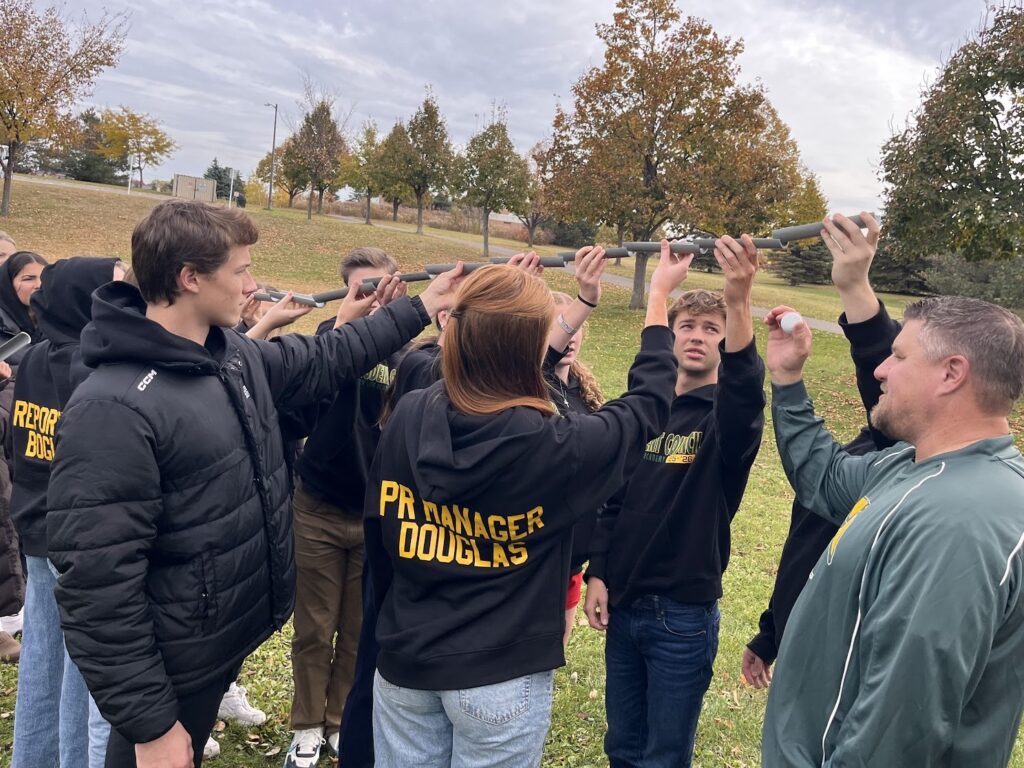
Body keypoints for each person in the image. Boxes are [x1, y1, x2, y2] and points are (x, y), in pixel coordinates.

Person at [45, 199, 463, 768]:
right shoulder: (113, 408)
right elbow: (97, 583)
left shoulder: (228, 353)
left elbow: (321, 358)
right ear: (190, 278)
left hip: (213, 648)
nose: (252, 283)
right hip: (171, 666)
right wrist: (149, 725)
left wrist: (418, 308)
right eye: (240, 271)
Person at [366, 243, 691, 768]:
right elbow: (649, 404)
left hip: (406, 660)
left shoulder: (410, 411)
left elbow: (379, 530)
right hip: (499, 671)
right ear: (528, 349)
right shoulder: (557, 445)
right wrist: (657, 300)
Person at [762, 264, 1024, 761]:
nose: (880, 369)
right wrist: (789, 380)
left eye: (898, 356)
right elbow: (824, 477)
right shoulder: (910, 466)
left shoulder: (962, 522)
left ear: (951, 373)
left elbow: (900, 728)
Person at [584, 236, 766, 768]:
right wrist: (599, 571)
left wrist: (738, 301)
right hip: (624, 603)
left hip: (681, 617)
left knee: (664, 754)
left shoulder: (724, 424)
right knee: (622, 746)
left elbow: (744, 393)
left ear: (725, 343)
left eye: (713, 330)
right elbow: (612, 499)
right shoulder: (642, 413)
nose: (697, 337)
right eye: (687, 326)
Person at [742, 213, 899, 687]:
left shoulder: (913, 466)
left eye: (902, 358)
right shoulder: (864, 451)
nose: (883, 372)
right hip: (797, 652)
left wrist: (857, 290)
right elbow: (807, 540)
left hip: (843, 679)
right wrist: (772, 631)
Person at [282, 247, 406, 768]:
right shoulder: (325, 348)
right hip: (318, 508)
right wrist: (341, 330)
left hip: (375, 517)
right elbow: (301, 407)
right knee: (314, 628)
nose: (372, 301)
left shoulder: (405, 355)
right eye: (361, 291)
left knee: (359, 629)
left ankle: (338, 722)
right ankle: (305, 727)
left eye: (381, 291)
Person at [9, 257, 125, 768]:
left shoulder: (33, 358)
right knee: (86, 676)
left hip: (36, 528)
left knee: (40, 665)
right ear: (87, 299)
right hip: (78, 540)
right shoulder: (93, 366)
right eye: (114, 290)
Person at [547, 291, 605, 646]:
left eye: (574, 324)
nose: (568, 335)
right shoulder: (528, 387)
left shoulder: (587, 395)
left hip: (573, 560)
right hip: (534, 557)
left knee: (555, 653)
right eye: (557, 325)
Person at [0, 251, 48, 346]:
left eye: (44, 278)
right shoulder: (3, 325)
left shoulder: (58, 321)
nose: (39, 285)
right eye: (28, 279)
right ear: (8, 284)